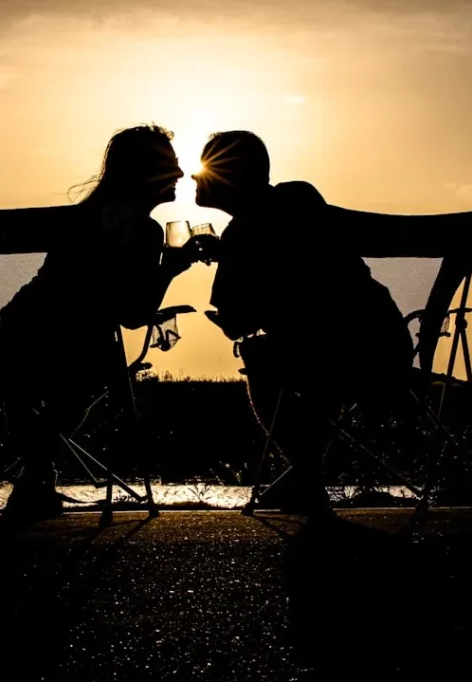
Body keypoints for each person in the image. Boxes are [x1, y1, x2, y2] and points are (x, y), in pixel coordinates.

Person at [0, 124, 198, 526]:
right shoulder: (144, 231)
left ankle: (36, 475)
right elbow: (133, 314)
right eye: (171, 165)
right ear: (145, 173)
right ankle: (36, 473)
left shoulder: (76, 219)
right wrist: (171, 268)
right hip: (77, 354)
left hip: (10, 342)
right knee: (89, 364)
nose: (181, 174)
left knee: (30, 383)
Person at [194, 130, 414, 515]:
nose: (195, 178)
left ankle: (305, 476)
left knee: (262, 357)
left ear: (227, 179)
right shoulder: (300, 197)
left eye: (204, 169)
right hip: (387, 345)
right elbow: (303, 266)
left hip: (333, 359)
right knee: (311, 350)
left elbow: (234, 322)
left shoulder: (240, 234)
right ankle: (304, 479)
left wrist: (230, 260)